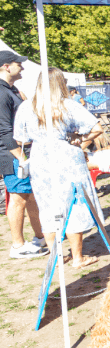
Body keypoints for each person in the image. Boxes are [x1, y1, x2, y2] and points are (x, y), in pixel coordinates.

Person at [14, 67, 105, 268]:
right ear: (60, 83)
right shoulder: (68, 106)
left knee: (47, 206)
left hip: (40, 159)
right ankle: (78, 257)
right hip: (67, 157)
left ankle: (56, 255)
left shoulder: (26, 107)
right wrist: (79, 140)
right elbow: (97, 128)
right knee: (74, 204)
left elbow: (21, 138)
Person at [0, 51, 47, 259]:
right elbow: (4, 130)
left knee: (30, 196)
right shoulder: (1, 93)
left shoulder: (11, 90)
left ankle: (40, 236)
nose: (23, 67)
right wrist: (20, 157)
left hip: (20, 153)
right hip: (12, 155)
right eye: (18, 63)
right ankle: (18, 246)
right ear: (5, 66)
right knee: (18, 197)